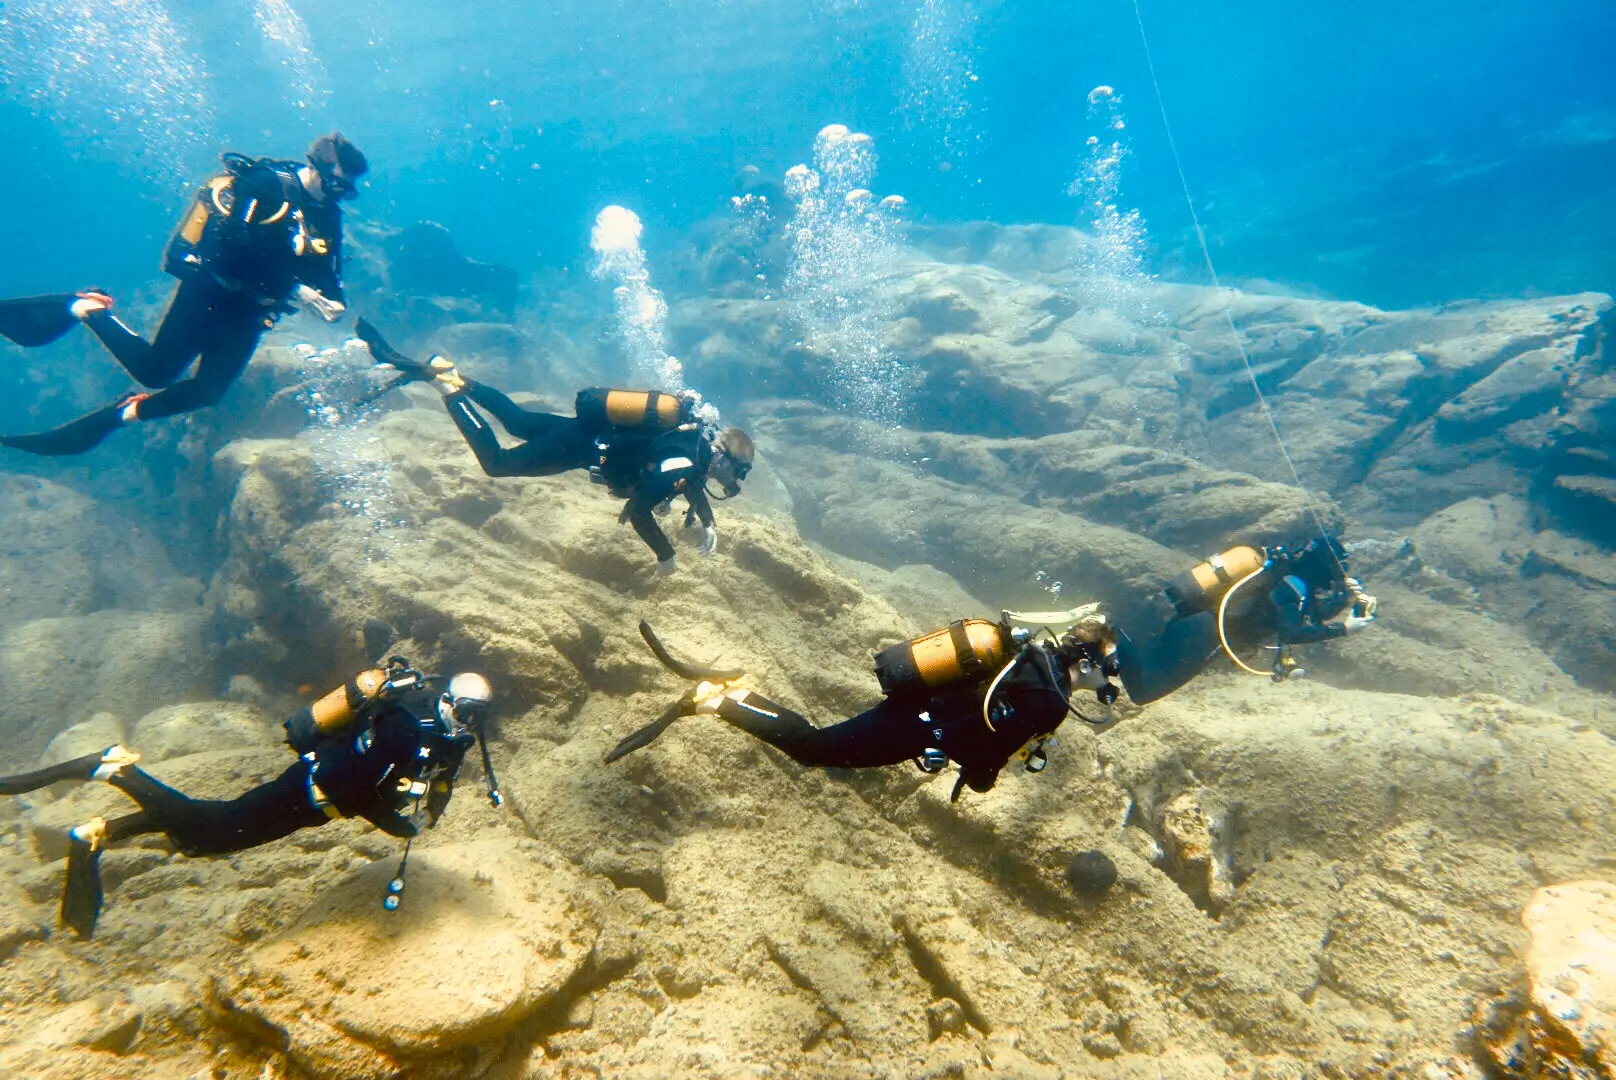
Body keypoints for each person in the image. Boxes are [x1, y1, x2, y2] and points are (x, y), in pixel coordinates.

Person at [0, 659, 496, 938]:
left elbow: (443, 778)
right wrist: (397, 826)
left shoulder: (450, 738)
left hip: (315, 810)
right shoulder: (408, 727)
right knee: (210, 832)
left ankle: (105, 831)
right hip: (307, 790)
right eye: (468, 710)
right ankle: (118, 769)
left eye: (481, 715)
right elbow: (360, 789)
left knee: (207, 834)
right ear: (450, 699)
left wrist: (431, 811)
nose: (471, 722)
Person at [0, 133, 367, 456]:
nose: (339, 195)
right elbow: (231, 240)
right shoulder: (265, 182)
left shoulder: (329, 214)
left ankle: (123, 413)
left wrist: (334, 300)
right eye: (337, 184)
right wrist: (294, 289)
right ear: (317, 165)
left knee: (207, 393)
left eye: (347, 190)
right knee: (155, 372)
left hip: (251, 312)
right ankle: (88, 308)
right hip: (210, 291)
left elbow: (328, 269)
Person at [359, 321, 755, 573]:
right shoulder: (686, 460)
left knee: (516, 420)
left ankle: (452, 373)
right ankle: (446, 389)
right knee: (497, 463)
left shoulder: (691, 444)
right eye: (738, 472)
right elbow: (638, 509)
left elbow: (687, 483)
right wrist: (665, 556)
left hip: (582, 431)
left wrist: (708, 520)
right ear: (722, 455)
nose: (734, 482)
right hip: (576, 449)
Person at [606, 612, 1122, 800]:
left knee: (827, 747)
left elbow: (985, 710)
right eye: (1111, 664)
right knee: (815, 747)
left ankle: (731, 693)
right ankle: (720, 698)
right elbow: (987, 742)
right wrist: (980, 777)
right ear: (1088, 659)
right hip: (920, 728)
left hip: (920, 707)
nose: (1112, 676)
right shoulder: (1053, 701)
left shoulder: (1035, 655)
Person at [1111, 535, 1378, 704]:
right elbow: (1293, 632)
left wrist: (1343, 599)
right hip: (1204, 634)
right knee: (1145, 691)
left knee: (1144, 671)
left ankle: (1108, 640)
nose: (1338, 575)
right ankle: (1111, 633)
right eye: (1338, 569)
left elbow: (1310, 616)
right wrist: (1343, 629)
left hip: (1197, 625)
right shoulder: (1294, 586)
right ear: (1326, 568)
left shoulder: (1287, 579)